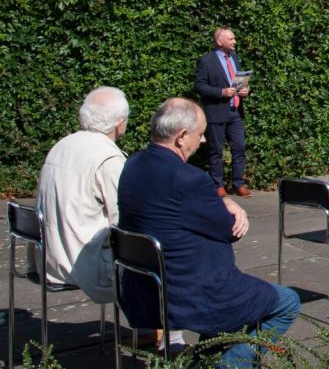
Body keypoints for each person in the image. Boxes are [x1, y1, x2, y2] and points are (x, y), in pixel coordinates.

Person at [118, 98, 300, 368]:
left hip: (143, 290)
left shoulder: (132, 166)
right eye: (201, 133)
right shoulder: (189, 179)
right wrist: (230, 206)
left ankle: (203, 361)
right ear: (181, 136)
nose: (203, 140)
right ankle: (227, 365)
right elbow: (229, 230)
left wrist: (223, 200)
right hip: (193, 294)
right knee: (288, 302)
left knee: (232, 314)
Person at [34, 87, 129, 303]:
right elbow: (123, 221)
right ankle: (154, 322)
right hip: (85, 265)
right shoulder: (109, 159)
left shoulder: (62, 145)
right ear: (119, 123)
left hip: (48, 260)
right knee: (164, 258)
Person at [195, 26, 251, 197]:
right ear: (219, 41)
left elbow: (238, 82)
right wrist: (221, 92)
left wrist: (245, 90)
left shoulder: (234, 57)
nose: (235, 41)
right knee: (216, 150)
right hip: (216, 112)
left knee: (239, 147)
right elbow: (199, 86)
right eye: (231, 39)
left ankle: (238, 183)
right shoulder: (206, 61)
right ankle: (217, 185)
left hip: (235, 111)